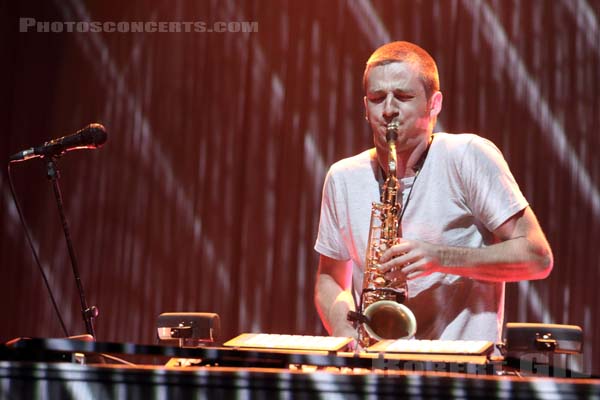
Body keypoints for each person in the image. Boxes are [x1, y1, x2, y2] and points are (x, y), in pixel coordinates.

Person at [314, 41, 553, 345]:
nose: (388, 110)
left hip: (461, 371)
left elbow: (537, 257)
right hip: (374, 370)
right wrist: (345, 331)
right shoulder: (342, 177)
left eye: (403, 96)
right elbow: (330, 279)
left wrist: (440, 258)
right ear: (365, 107)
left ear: (434, 103)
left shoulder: (467, 156)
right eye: (377, 98)